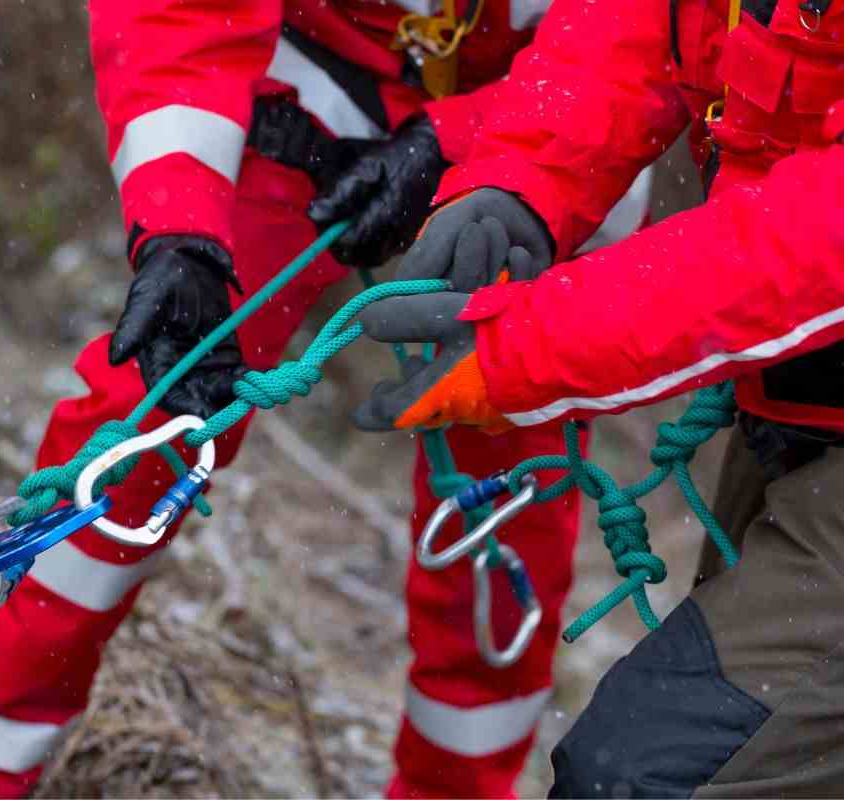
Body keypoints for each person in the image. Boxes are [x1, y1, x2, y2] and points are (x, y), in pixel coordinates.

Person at [0, 2, 652, 797]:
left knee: (508, 492)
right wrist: (177, 230)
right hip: (305, 78)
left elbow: (644, 39)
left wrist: (465, 138)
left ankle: (458, 787)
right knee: (153, 414)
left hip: (557, 120)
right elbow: (178, 18)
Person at [349, 0, 844, 793]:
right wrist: (521, 183)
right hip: (799, 408)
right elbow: (639, 26)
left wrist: (515, 357)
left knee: (646, 776)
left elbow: (811, 244)